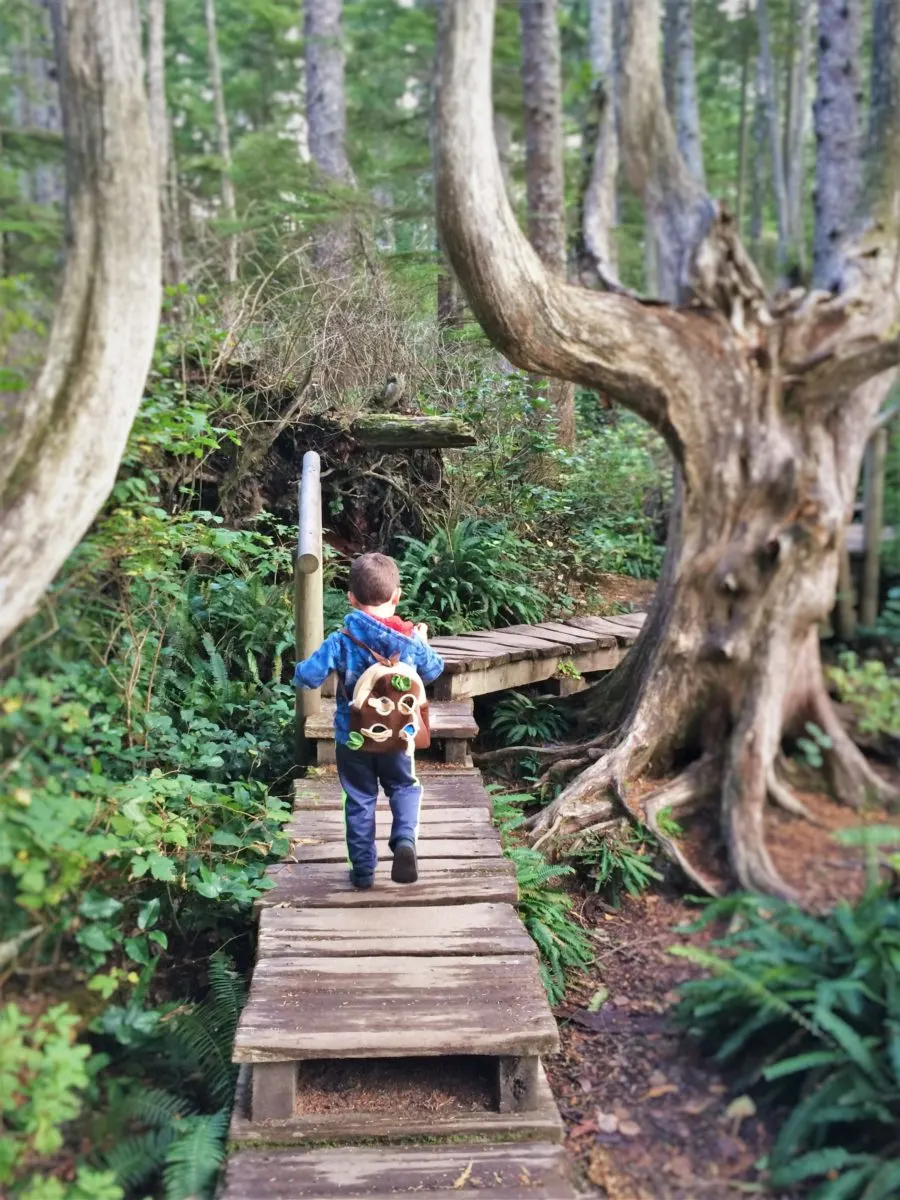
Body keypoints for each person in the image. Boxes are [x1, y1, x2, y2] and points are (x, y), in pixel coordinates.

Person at [293, 552, 444, 889]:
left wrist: (298, 670)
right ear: (397, 596)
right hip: (400, 736)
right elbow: (435, 671)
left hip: (354, 737)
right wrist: (421, 640)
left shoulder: (340, 640)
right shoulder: (409, 640)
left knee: (359, 800)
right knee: (404, 786)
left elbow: (308, 678)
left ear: (350, 598)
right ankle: (404, 839)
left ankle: (362, 871)